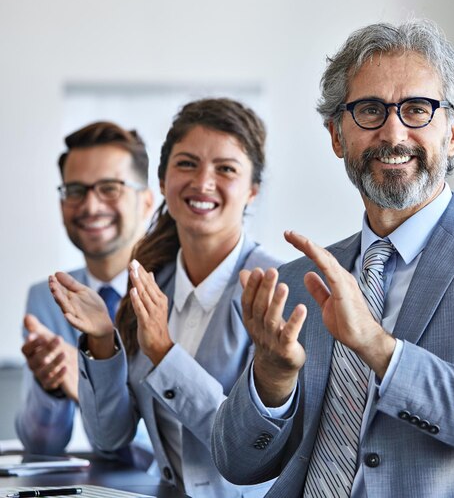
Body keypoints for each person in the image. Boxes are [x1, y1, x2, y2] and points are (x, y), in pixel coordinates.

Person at [210, 20, 454, 497]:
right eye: (369, 110)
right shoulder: (302, 280)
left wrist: (379, 349)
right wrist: (273, 377)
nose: (393, 132)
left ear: (452, 132)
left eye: (417, 109)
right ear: (337, 136)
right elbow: (238, 464)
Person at [48, 98, 280, 498]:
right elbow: (109, 439)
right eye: (187, 164)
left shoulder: (275, 287)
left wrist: (164, 352)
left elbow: (251, 451)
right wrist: (103, 343)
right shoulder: (151, 283)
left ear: (252, 191)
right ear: (162, 180)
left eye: (225, 169)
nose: (203, 183)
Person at [15, 121, 154, 460]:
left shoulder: (169, 294)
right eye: (75, 190)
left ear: (147, 202)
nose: (90, 207)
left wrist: (88, 388)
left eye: (110, 188)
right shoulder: (48, 297)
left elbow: (184, 443)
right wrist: (52, 389)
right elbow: (41, 445)